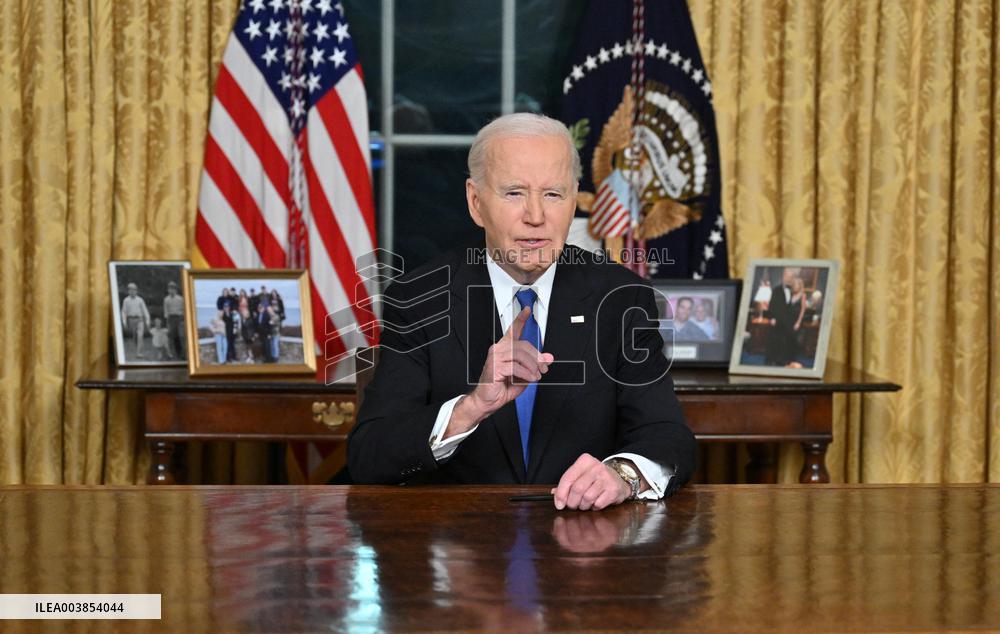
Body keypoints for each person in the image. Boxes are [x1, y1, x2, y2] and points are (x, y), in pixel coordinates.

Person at [348, 113, 696, 511]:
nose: (536, 215)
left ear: (574, 199)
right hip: (456, 545)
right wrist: (470, 408)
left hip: (586, 550)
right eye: (515, 193)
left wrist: (623, 475)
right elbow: (368, 457)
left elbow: (670, 437)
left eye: (553, 194)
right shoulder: (420, 298)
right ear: (476, 203)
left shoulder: (621, 297)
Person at [764, 267, 800, 366]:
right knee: (776, 341)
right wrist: (772, 318)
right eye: (786, 276)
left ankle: (787, 361)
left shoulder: (795, 291)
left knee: (789, 342)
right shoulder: (776, 290)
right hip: (778, 322)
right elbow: (771, 307)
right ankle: (773, 361)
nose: (788, 278)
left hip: (789, 323)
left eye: (791, 277)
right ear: (783, 276)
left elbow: (796, 309)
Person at [120, 282, 151, 359]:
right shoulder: (126, 300)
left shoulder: (140, 300)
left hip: (140, 319)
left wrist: (147, 320)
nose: (132, 291)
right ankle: (138, 349)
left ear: (136, 291)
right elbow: (124, 312)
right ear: (128, 291)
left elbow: (145, 311)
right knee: (135, 337)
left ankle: (139, 353)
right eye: (130, 290)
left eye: (134, 290)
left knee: (140, 336)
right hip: (131, 320)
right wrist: (124, 322)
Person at [163, 281, 185, 360]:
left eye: (173, 289)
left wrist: (182, 319)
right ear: (168, 290)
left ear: (176, 290)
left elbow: (183, 309)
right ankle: (170, 354)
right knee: (171, 336)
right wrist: (167, 320)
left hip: (178, 318)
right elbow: (166, 311)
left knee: (180, 336)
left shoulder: (180, 299)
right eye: (170, 289)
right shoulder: (166, 299)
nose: (171, 290)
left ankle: (181, 353)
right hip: (170, 318)